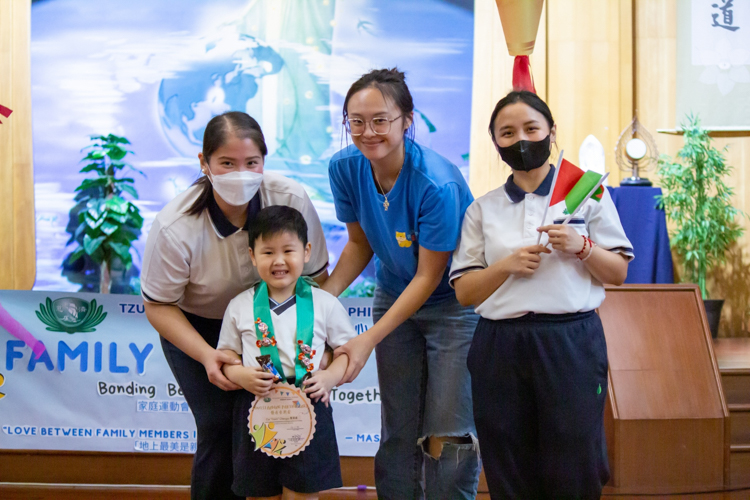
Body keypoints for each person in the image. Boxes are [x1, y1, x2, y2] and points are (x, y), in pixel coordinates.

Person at [450, 90, 634, 499]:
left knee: (575, 459)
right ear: (494, 142)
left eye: (531, 128)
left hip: (570, 341)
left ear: (551, 132)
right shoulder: (482, 209)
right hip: (500, 344)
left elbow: (618, 272)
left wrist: (581, 246)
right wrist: (506, 266)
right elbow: (464, 291)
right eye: (507, 132)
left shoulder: (587, 195)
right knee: (507, 459)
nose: (521, 140)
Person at [141, 112, 329, 500]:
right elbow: (159, 306)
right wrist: (212, 358)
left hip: (277, 325)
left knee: (283, 416)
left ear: (264, 161)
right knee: (217, 424)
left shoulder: (290, 199)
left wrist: (312, 337)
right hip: (202, 328)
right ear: (204, 163)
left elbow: (317, 276)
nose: (240, 173)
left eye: (251, 163)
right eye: (227, 163)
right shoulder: (175, 225)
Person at [324, 68, 481, 499]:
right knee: (398, 425)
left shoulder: (437, 182)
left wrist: (367, 339)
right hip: (394, 292)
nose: (367, 131)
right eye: (356, 121)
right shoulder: (344, 168)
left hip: (452, 305)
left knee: (448, 430)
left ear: (406, 120)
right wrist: (320, 302)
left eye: (380, 120)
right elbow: (359, 243)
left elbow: (430, 276)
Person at [217, 205, 356, 500]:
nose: (279, 261)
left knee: (302, 493)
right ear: (252, 256)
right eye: (267, 253)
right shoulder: (240, 305)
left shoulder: (325, 303)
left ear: (306, 252)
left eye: (288, 251)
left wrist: (329, 377)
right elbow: (226, 358)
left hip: (309, 402)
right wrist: (241, 375)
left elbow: (346, 351)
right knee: (259, 492)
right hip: (256, 404)